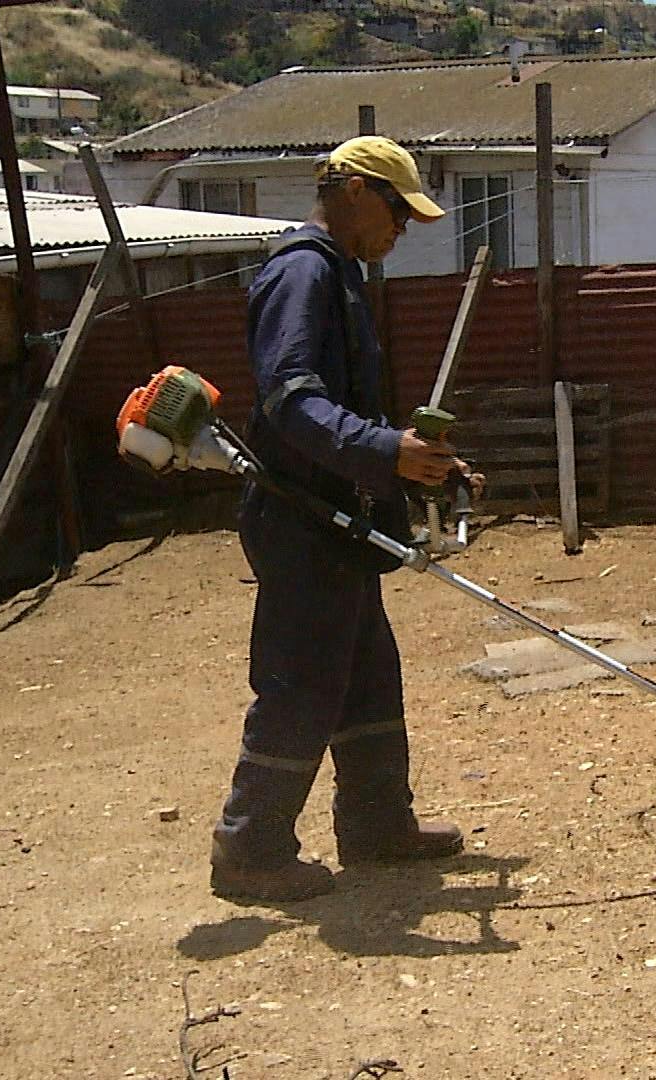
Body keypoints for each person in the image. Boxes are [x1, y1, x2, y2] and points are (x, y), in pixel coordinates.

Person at [210, 136, 481, 902]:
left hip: (338, 517)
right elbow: (290, 399)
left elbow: (345, 410)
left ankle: (375, 827)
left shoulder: (339, 276)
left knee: (366, 675)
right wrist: (383, 449)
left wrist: (422, 461)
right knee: (299, 683)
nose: (402, 228)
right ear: (355, 190)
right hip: (300, 517)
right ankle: (249, 850)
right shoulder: (303, 273)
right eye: (397, 209)